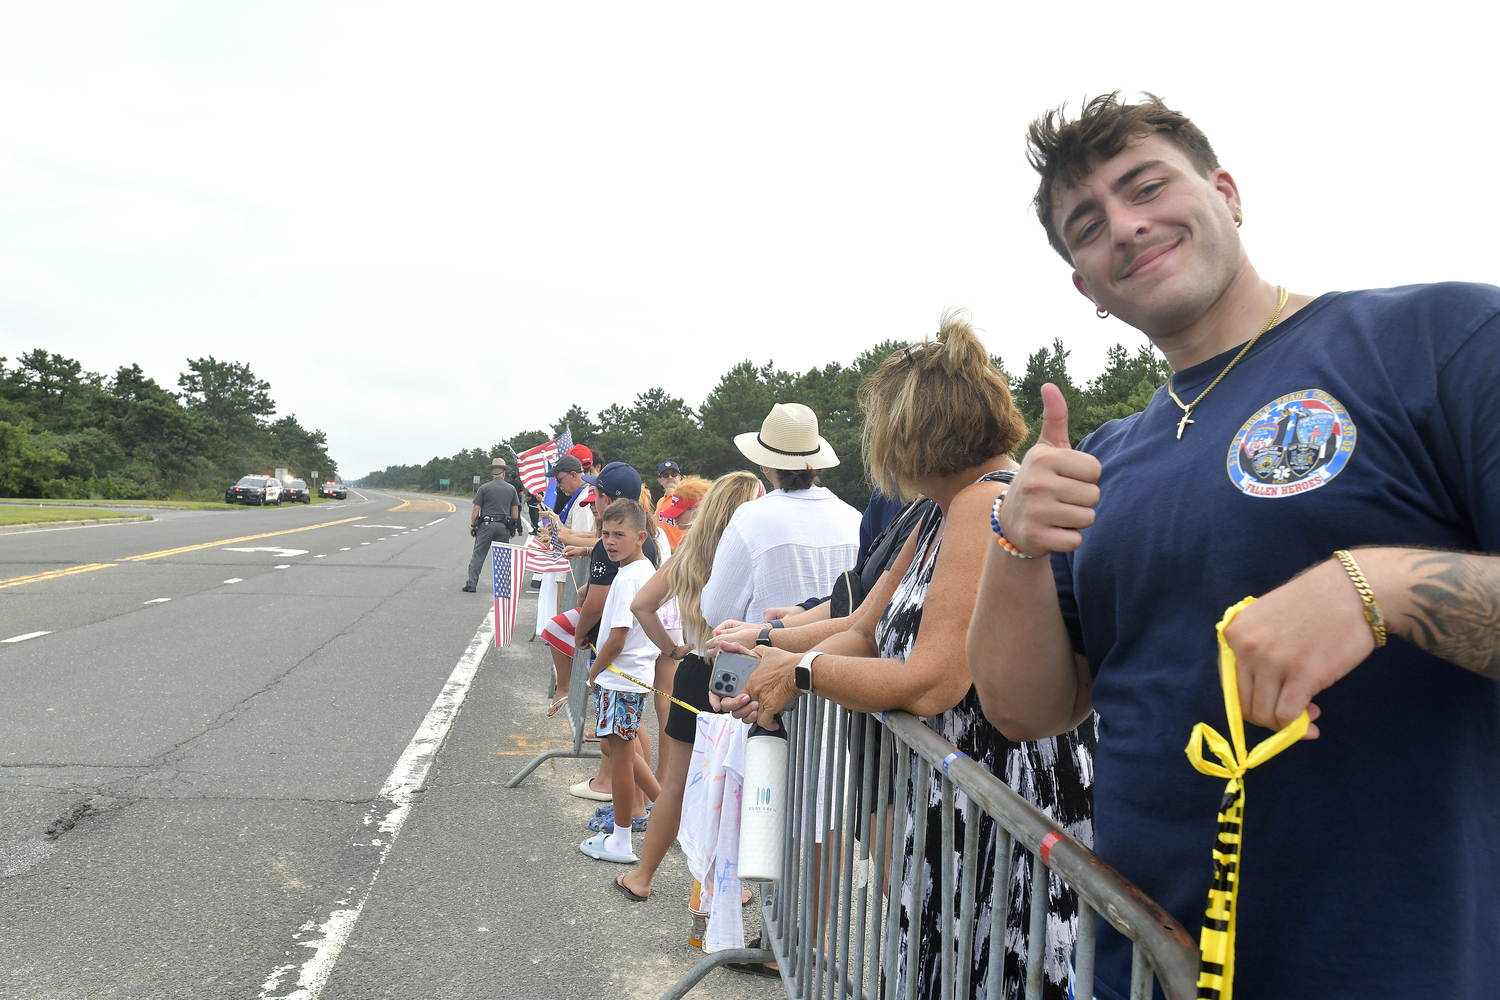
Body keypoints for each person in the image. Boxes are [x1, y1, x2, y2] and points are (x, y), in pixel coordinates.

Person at [967, 92, 1500, 1000]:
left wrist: (1384, 587)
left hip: (1404, 962)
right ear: (1085, 288)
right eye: (1088, 225)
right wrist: (1013, 544)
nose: (1126, 227)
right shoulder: (1101, 461)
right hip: (1151, 966)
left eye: (1146, 187)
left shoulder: (1436, 341)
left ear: (1226, 191)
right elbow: (1029, 710)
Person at [716, 320, 1094, 999]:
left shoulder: (985, 504)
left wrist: (799, 674)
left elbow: (930, 682)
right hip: (957, 811)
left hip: (999, 813)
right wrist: (766, 657)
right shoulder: (938, 510)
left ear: (914, 436)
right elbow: (861, 629)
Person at [615, 471, 763, 910]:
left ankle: (642, 876)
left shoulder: (692, 552)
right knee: (737, 785)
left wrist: (673, 649)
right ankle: (734, 886)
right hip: (742, 672)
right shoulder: (751, 550)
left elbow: (641, 604)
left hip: (696, 668)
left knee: (675, 782)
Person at [699, 402, 862, 629]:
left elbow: (717, 613)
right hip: (841, 660)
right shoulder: (854, 518)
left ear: (766, 463)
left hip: (766, 658)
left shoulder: (749, 519)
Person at [578, 498, 663, 865]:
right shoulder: (644, 571)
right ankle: (659, 814)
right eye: (606, 534)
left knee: (622, 760)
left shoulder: (628, 577)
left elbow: (616, 638)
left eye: (619, 535)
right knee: (622, 755)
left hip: (620, 679)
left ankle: (622, 841)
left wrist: (595, 671)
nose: (610, 541)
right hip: (633, 676)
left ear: (641, 536)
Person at [463, 457, 520, 593]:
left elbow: (476, 508)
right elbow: (515, 510)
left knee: (479, 555)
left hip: (486, 525)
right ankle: (502, 586)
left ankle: (472, 584)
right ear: (504, 473)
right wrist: (513, 527)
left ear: (491, 473)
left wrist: (473, 525)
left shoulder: (484, 487)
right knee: (502, 556)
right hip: (503, 526)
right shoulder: (511, 489)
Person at [654, 461, 687, 550]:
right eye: (665, 475)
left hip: (681, 551)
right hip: (663, 553)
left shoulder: (686, 498)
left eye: (673, 474)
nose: (670, 477)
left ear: (679, 478)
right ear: (660, 481)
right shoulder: (660, 502)